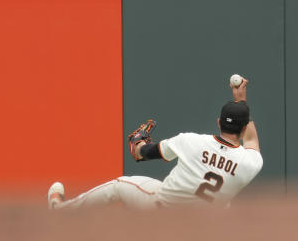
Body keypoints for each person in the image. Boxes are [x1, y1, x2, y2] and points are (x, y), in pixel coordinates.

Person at [48, 76, 262, 209]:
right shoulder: (249, 163)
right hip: (201, 230)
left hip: (161, 209)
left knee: (119, 185)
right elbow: (251, 139)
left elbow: (141, 152)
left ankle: (62, 212)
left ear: (218, 122)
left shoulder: (190, 141)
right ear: (243, 129)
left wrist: (138, 144)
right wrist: (241, 101)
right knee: (224, 206)